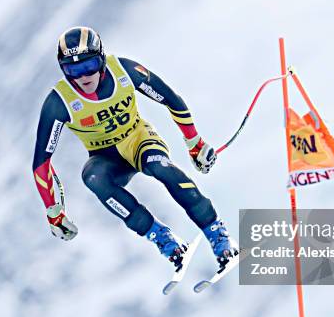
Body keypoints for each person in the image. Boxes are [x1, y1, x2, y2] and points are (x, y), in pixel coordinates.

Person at [32, 26, 235, 270]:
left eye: (89, 66)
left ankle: (217, 233)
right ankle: (162, 238)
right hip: (106, 158)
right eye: (72, 70)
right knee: (92, 177)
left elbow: (171, 100)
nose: (83, 77)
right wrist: (54, 212)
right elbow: (41, 163)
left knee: (159, 167)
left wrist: (194, 143)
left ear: (102, 59)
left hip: (138, 140)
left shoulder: (124, 71)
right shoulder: (59, 102)